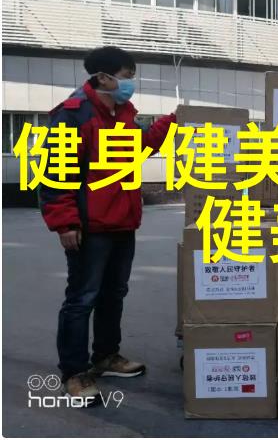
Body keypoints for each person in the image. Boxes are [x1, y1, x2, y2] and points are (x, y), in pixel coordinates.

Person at [39, 46, 176, 403]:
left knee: (114, 293)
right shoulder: (74, 114)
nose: (131, 83)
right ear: (103, 77)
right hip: (90, 226)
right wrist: (65, 223)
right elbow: (55, 172)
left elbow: (139, 148)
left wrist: (171, 122)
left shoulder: (122, 114)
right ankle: (74, 372)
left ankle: (105, 356)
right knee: (82, 298)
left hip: (122, 221)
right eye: (128, 76)